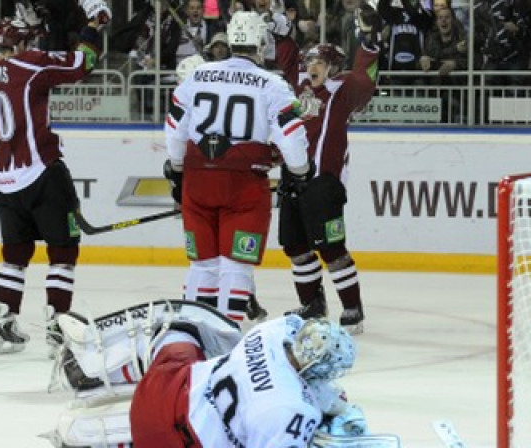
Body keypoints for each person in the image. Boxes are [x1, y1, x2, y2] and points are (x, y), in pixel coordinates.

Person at [48, 300, 375, 447]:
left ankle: (95, 364)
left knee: (181, 329)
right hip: (173, 439)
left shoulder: (271, 333)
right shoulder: (291, 410)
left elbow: (299, 335)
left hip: (165, 383)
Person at [163, 10, 312, 323]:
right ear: (259, 42)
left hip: (198, 183)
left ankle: (192, 333)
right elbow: (291, 135)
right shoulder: (272, 83)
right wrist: (301, 170)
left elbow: (175, 130)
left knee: (202, 265)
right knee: (236, 265)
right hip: (243, 186)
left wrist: (178, 169)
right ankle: (227, 335)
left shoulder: (197, 76)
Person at [0, 0, 111, 356]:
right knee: (62, 252)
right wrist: (92, 26)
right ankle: (58, 325)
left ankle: (4, 320)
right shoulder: (32, 65)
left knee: (15, 255)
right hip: (40, 172)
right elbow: (81, 64)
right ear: (23, 44)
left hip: (3, 179)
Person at [277, 2, 382, 334]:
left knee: (331, 247)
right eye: (310, 62)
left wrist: (369, 39)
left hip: (324, 183)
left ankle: (353, 309)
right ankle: (312, 304)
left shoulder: (343, 89)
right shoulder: (299, 90)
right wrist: (282, 33)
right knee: (294, 246)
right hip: (292, 178)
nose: (311, 67)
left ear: (333, 67)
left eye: (318, 62)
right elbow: (286, 63)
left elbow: (366, 77)